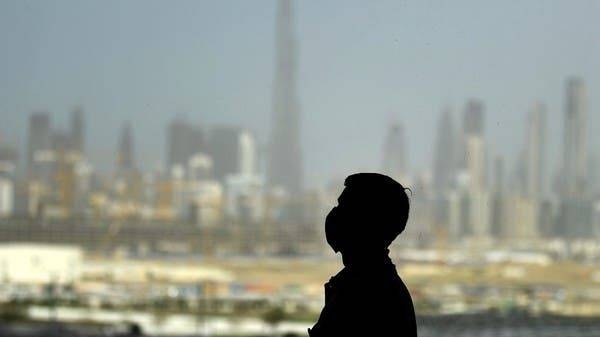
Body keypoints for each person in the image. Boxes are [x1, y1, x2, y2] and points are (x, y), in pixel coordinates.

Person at [309, 173, 417, 336]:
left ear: (366, 222)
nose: (334, 214)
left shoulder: (367, 294)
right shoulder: (363, 284)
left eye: (344, 208)